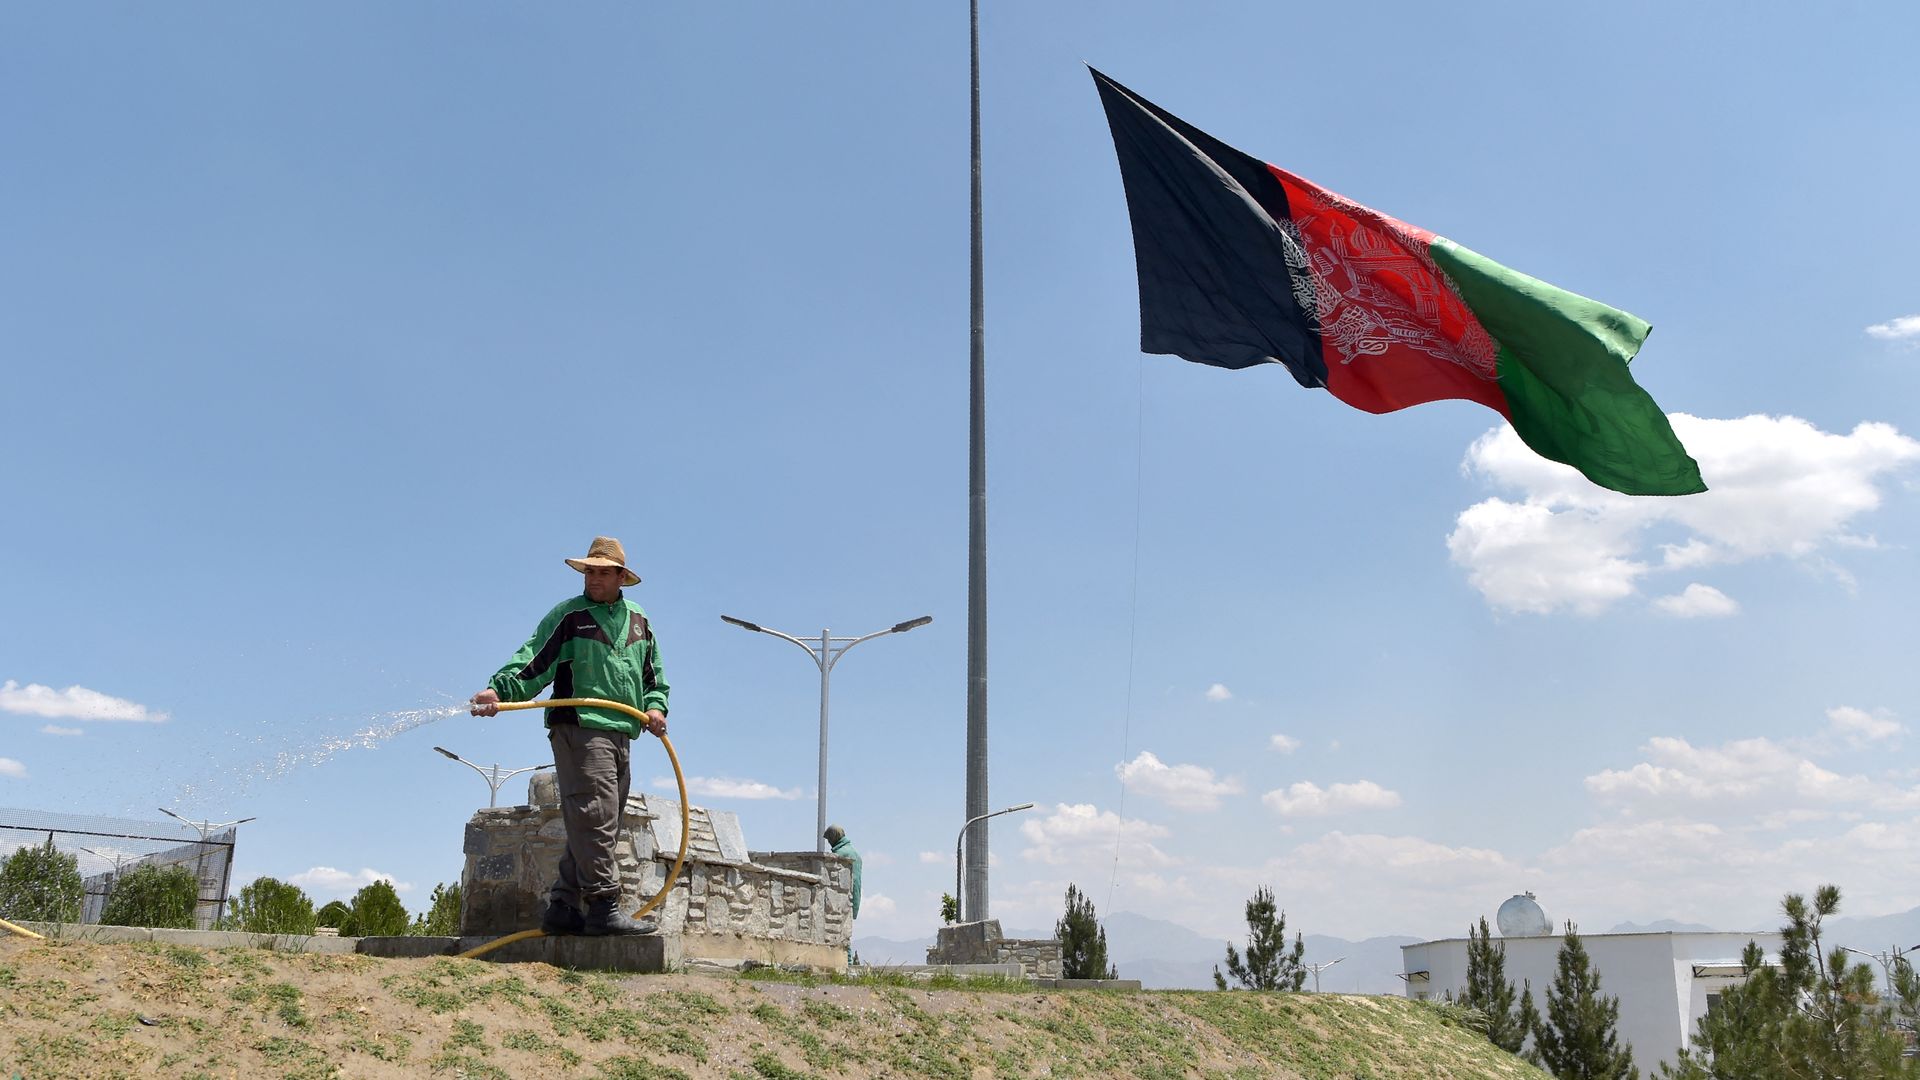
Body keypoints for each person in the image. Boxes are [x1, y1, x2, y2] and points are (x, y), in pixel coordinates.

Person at [471, 536, 669, 936]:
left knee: (599, 823)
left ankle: (563, 905)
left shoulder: (638, 620)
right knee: (594, 817)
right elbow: (533, 658)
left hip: (622, 731)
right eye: (589, 571)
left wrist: (655, 707)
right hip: (579, 727)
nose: (593, 578)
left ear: (619, 577)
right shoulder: (570, 615)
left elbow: (653, 677)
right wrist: (500, 691)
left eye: (602, 572)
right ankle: (602, 906)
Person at [824, 824, 862, 963]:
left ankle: (847, 963)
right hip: (852, 898)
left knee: (841, 934)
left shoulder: (842, 854)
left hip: (841, 899)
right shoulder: (854, 853)